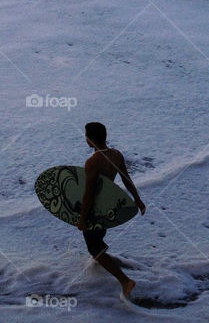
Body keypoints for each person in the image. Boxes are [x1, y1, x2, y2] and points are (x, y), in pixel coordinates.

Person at [75, 121, 146, 298]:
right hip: (109, 207)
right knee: (97, 241)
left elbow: (88, 194)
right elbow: (126, 179)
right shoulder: (116, 155)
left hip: (95, 210)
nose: (85, 138)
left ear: (90, 139)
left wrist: (82, 218)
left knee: (94, 248)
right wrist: (138, 200)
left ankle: (125, 281)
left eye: (86, 136)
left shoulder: (92, 162)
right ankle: (102, 264)